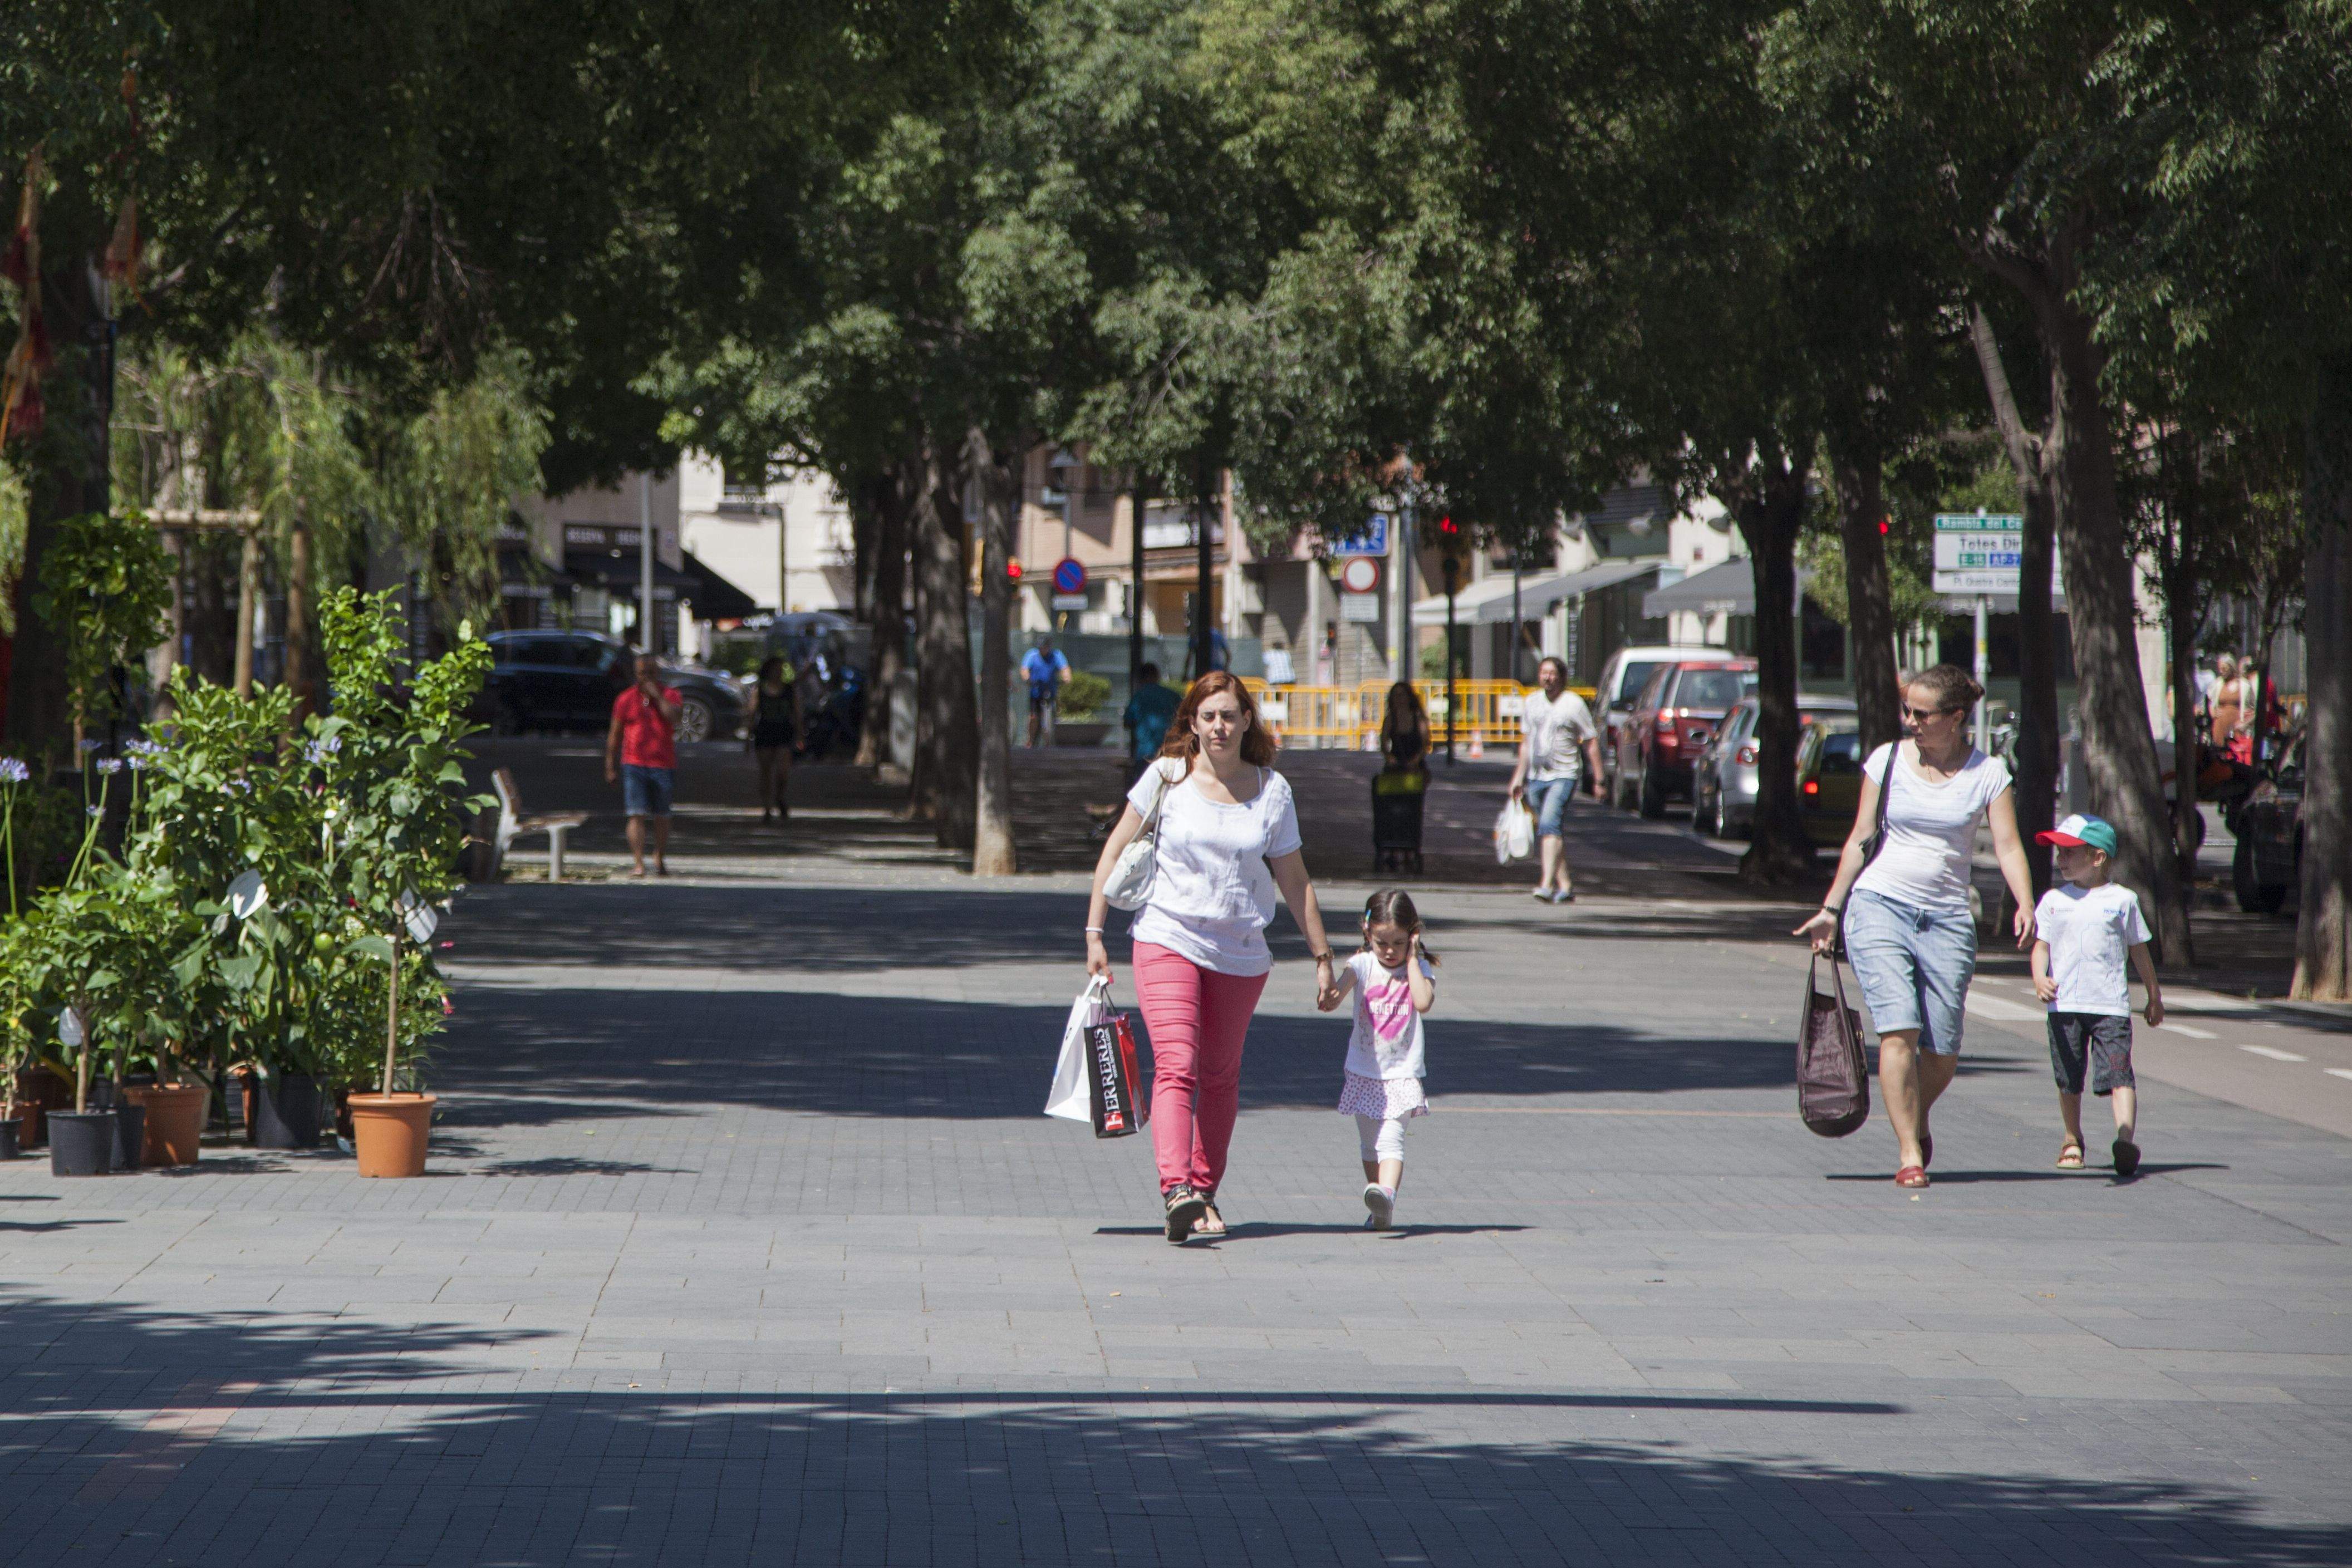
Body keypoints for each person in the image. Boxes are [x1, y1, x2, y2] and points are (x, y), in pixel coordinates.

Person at [1085, 671, 1338, 1245]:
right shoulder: (1167, 777)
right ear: (1192, 724)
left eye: (1229, 715)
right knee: (1177, 1063)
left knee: (1220, 1076)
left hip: (1241, 952)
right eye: (1208, 716)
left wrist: (1322, 956)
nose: (1219, 726)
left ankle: (1203, 1190)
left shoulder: (1273, 792)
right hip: (1166, 937)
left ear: (1247, 720)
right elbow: (1115, 847)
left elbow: (1293, 880)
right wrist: (1094, 931)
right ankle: (1176, 1190)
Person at [1794, 664, 2036, 1189]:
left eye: (1921, 714)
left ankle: (1913, 1112)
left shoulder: (1988, 774)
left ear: (1954, 718)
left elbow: (2008, 844)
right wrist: (1832, 908)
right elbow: (1861, 837)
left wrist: (2025, 902)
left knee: (1943, 1050)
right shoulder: (1886, 760)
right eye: (1907, 710)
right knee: (1898, 1029)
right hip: (1878, 904)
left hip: (1948, 917)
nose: (1910, 722)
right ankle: (1909, 1152)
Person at [2031, 814, 2163, 1178]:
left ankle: (2124, 1139)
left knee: (2119, 1073)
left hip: (2110, 1006)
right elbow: (2041, 946)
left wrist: (2153, 996)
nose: (2061, 859)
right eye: (2059, 852)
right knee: (2068, 1077)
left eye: (2070, 852)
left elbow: (2138, 951)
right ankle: (2071, 1138)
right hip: (2065, 1006)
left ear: (2098, 857)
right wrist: (2038, 977)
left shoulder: (2122, 900)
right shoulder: (2053, 900)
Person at [1317, 890, 1437, 1231]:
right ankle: (1379, 1204)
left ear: (1412, 936)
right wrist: (1329, 994)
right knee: (1370, 1145)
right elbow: (1338, 994)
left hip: (1401, 1073)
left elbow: (1424, 1001)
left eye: (1398, 943)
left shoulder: (1418, 968)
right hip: (1364, 1070)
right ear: (1367, 933)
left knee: (1391, 1141)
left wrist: (1412, 959)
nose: (1389, 951)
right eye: (1381, 942)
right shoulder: (1362, 963)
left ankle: (1387, 1194)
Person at [1507, 656, 1603, 903]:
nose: (1547, 678)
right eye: (1543, 673)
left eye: (1552, 673)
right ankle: (1566, 885)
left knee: (1550, 824)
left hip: (1564, 774)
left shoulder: (1574, 704)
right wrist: (1518, 777)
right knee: (1551, 830)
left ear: (1561, 677)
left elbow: (1591, 741)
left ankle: (1546, 884)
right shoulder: (1532, 703)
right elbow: (1526, 743)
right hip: (1537, 777)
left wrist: (1599, 779)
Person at [605, 652, 682, 878]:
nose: (646, 678)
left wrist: (658, 697)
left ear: (657, 673)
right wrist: (610, 766)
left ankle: (659, 855)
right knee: (635, 814)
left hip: (663, 764)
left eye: (650, 673)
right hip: (633, 763)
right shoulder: (625, 699)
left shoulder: (671, 694)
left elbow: (675, 718)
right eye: (641, 674)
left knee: (662, 814)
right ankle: (638, 862)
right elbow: (615, 734)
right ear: (635, 674)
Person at [748, 655, 801, 823]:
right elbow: (752, 713)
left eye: (780, 669)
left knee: (783, 772)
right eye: (775, 669)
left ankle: (779, 797)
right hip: (765, 732)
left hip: (784, 732)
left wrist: (801, 735)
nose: (778, 673)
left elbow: (797, 713)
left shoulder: (790, 691)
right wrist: (748, 736)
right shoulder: (760, 690)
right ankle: (767, 808)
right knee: (766, 772)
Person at [1121, 662, 1180, 790]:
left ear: (1141, 678)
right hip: (1171, 750)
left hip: (1145, 751)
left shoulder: (1139, 697)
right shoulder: (1173, 696)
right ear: (1157, 675)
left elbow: (1128, 722)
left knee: (1143, 788)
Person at [1022, 637, 1071, 748]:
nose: (1042, 650)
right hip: (1036, 692)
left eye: (1045, 648)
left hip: (1051, 691)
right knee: (1034, 717)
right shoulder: (1032, 655)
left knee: (1052, 715)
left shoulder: (1056, 655)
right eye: (1041, 648)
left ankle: (1048, 741)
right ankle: (1031, 739)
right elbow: (1024, 670)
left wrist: (1067, 677)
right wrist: (1027, 679)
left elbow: (1065, 668)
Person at [1379, 681, 1430, 774]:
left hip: (1416, 765)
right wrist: (1389, 757)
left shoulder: (1419, 719)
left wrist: (1416, 760)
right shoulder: (1390, 720)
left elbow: (1425, 744)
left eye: (1402, 695)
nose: (1399, 699)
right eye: (1395, 695)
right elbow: (1383, 743)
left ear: (1409, 697)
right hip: (1395, 764)